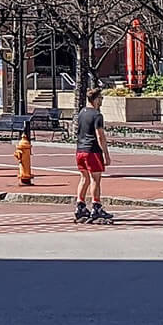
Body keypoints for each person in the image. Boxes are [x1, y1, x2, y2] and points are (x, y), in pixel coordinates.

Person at [74, 87, 113, 223]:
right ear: (96, 99)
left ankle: (80, 205)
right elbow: (100, 135)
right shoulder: (97, 115)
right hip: (92, 150)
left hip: (80, 150)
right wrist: (106, 154)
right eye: (101, 98)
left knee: (84, 178)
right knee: (95, 178)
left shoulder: (81, 113)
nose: (101, 100)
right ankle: (96, 206)